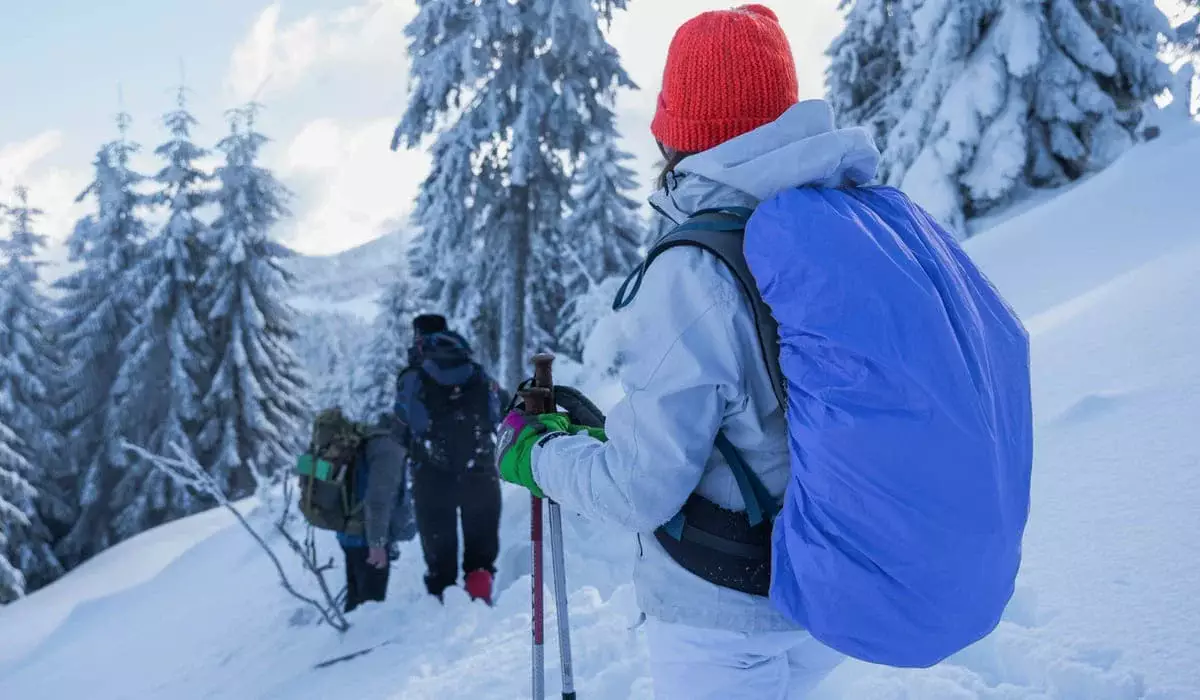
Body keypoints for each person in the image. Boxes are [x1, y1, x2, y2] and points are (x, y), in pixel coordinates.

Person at [497, 4, 1033, 699]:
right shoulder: (844, 215)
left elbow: (640, 488)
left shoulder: (695, 268)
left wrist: (536, 454)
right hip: (816, 589)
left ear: (680, 129)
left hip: (719, 620)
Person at [395, 314, 504, 604]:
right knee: (481, 547)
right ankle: (480, 599)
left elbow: (403, 417)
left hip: (431, 472)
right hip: (479, 467)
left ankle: (444, 605)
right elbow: (500, 406)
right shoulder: (473, 371)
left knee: (438, 543)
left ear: (417, 337)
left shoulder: (413, 376)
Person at [308, 409, 411, 614]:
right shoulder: (389, 449)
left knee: (356, 602)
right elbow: (378, 500)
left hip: (351, 533)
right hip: (367, 538)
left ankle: (351, 640)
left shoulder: (372, 438)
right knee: (370, 610)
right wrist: (377, 544)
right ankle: (366, 645)